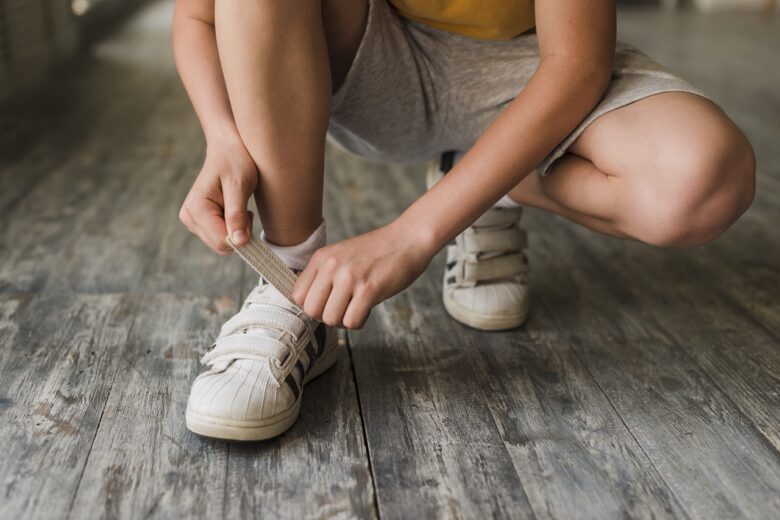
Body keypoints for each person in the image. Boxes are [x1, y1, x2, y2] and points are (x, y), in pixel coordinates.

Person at [173, 0, 755, 441]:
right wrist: (224, 139)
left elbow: (576, 65)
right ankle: (291, 280)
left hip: (538, 72)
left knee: (704, 181)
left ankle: (480, 184)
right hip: (374, 60)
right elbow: (199, 17)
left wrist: (415, 233)